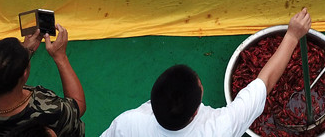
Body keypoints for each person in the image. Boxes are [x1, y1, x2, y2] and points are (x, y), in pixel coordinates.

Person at [100, 9, 311, 137]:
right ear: (194, 113)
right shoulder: (219, 128)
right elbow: (265, 81)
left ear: (151, 104)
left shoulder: (128, 123)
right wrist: (292, 35)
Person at [0, 25, 85, 137]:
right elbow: (78, 106)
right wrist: (60, 57)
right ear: (25, 75)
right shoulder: (50, 110)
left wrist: (25, 53)